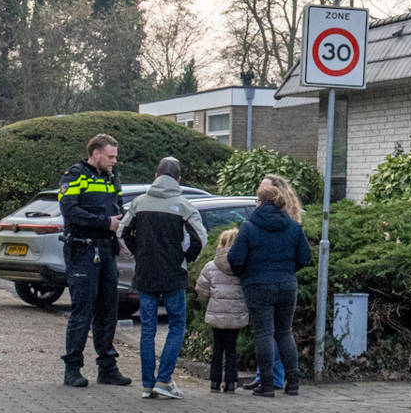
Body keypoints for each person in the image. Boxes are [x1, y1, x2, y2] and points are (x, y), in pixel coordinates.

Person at [120, 156, 206, 399]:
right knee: (176, 326)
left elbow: (122, 232)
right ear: (178, 179)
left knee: (147, 329)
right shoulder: (184, 205)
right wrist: (186, 258)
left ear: (156, 176)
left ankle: (148, 384)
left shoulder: (139, 203)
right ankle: (164, 380)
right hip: (173, 274)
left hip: (145, 273)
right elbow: (200, 237)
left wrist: (139, 252)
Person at [227, 173, 312, 397]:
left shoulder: (248, 227)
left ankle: (266, 384)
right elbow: (305, 257)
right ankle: (292, 383)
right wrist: (287, 271)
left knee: (264, 333)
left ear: (260, 202)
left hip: (257, 285)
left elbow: (235, 259)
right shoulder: (293, 227)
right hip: (286, 285)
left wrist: (247, 274)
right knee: (285, 332)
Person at [58, 133, 129, 388]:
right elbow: (70, 210)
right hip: (83, 250)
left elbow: (116, 207)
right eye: (110, 156)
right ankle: (72, 368)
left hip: (106, 250)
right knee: (82, 310)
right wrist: (104, 223)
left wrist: (121, 219)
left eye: (115, 157)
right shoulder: (75, 175)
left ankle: (107, 367)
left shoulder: (110, 177)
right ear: (96, 153)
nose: (114, 161)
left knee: (108, 310)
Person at [193, 227, 248, 393]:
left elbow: (201, 288)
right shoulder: (243, 265)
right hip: (236, 313)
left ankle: (214, 381)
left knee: (217, 347)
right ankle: (231, 382)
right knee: (231, 348)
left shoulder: (211, 266)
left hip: (216, 312)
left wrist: (208, 299)